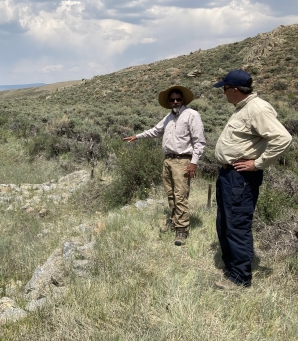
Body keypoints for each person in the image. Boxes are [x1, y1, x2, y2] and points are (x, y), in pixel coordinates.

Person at [212, 69, 292, 290]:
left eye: (225, 89)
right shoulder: (243, 108)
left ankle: (240, 278)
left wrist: (257, 163)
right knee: (225, 223)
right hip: (229, 174)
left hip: (241, 177)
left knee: (237, 224)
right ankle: (231, 268)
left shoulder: (257, 109)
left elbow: (283, 138)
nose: (224, 93)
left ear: (235, 90)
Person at [124, 85, 206, 246]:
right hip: (168, 161)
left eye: (178, 99)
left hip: (183, 161)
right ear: (169, 102)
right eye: (172, 99)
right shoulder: (168, 117)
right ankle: (175, 223)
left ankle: (182, 230)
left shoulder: (192, 115)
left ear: (183, 100)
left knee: (180, 195)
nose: (175, 102)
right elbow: (156, 130)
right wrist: (137, 136)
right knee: (171, 194)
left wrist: (193, 163)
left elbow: (199, 141)